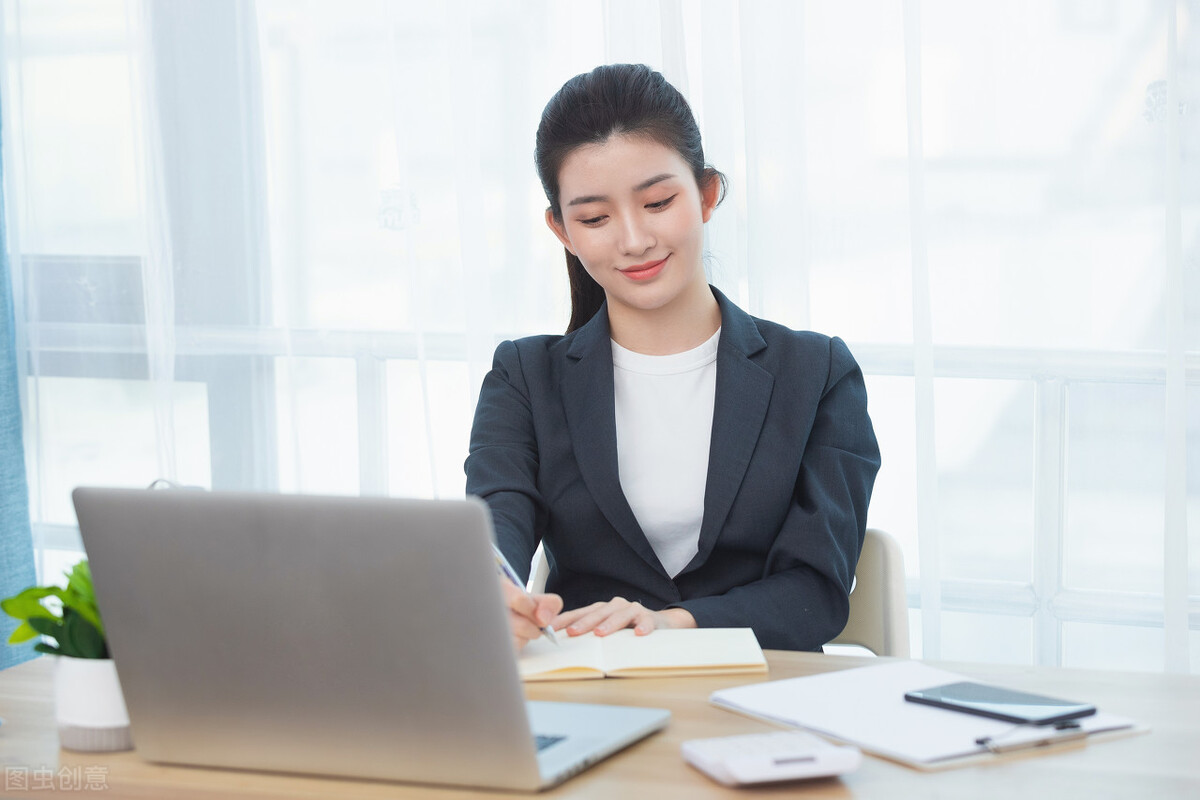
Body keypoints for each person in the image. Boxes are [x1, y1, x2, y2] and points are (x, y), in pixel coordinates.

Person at [465, 63, 880, 652]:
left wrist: (670, 624)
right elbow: (493, 526)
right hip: (594, 692)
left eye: (658, 202)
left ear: (708, 194)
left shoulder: (816, 375)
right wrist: (490, 590)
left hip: (760, 695)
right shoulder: (525, 378)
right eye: (594, 218)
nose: (633, 240)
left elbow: (816, 590)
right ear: (562, 229)